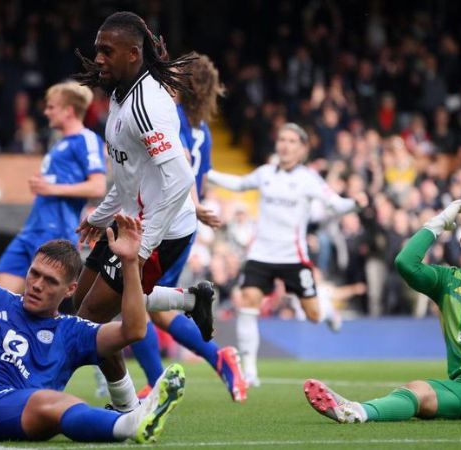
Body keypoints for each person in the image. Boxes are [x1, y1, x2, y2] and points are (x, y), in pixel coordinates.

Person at [0, 215, 185, 448]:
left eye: (50, 281)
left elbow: (134, 330)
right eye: (35, 274)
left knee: (52, 401)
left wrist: (129, 264)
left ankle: (132, 424)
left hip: (13, 405)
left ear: (70, 290)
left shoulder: (73, 331)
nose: (37, 285)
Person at [73, 10, 215, 412]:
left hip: (161, 230)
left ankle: (125, 409)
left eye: (106, 51)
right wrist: (101, 217)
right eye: (97, 49)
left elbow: (180, 179)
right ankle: (188, 301)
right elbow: (127, 177)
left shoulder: (145, 105)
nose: (97, 58)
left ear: (133, 55)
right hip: (127, 222)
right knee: (78, 307)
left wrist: (143, 245)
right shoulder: (120, 96)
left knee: (90, 321)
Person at [304, 198, 461, 424]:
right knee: (417, 390)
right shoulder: (447, 280)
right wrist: (440, 220)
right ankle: (357, 411)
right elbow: (405, 263)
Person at [129, 53, 247, 402]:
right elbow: (203, 178)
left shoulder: (170, 117)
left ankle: (156, 380)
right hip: (184, 222)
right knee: (156, 311)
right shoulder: (204, 131)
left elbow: (177, 163)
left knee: (134, 300)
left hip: (163, 215)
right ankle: (216, 356)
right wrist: (196, 207)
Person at [207, 123, 357, 386]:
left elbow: (335, 204)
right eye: (282, 140)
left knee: (312, 315)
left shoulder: (309, 179)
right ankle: (250, 370)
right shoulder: (265, 173)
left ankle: (328, 312)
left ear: (301, 149)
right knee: (248, 302)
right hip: (261, 255)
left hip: (293, 257)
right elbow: (240, 184)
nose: (285, 145)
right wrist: (208, 173)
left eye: (291, 141)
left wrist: (356, 203)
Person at [0, 81, 106, 294]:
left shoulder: (87, 139)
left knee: (39, 304)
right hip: (32, 228)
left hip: (57, 232)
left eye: (51, 107)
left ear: (68, 111)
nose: (46, 112)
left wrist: (51, 188)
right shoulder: (59, 143)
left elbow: (97, 186)